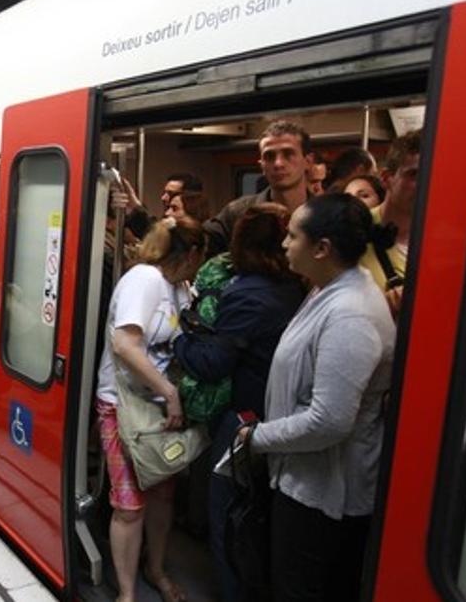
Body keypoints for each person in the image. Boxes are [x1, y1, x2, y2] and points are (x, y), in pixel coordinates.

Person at [238, 193, 395, 602]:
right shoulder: (328, 289)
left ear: (322, 248)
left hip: (324, 496)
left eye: (292, 236)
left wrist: (257, 438)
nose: (285, 244)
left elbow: (330, 420)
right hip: (303, 480)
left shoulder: (350, 314)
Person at [172, 203, 305, 602]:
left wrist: (181, 334)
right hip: (279, 412)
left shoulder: (247, 293)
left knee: (230, 519)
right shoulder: (295, 287)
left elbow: (212, 364)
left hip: (245, 422)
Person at [96, 216, 206, 602]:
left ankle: (155, 569)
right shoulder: (145, 280)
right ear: (191, 254)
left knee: (162, 496)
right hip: (123, 406)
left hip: (160, 410)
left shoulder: (180, 288)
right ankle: (127, 593)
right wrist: (170, 392)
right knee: (129, 506)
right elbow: (125, 345)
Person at [205, 120, 313, 256]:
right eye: (269, 156)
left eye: (288, 154)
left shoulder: (324, 214)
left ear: (308, 162)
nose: (278, 164)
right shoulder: (239, 213)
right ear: (262, 166)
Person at [359, 130, 421, 318]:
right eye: (414, 174)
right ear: (387, 178)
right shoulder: (352, 231)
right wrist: (384, 306)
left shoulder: (449, 242)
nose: (426, 182)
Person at [123, 172, 203, 239]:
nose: (163, 198)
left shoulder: (196, 234)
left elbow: (156, 235)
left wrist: (135, 205)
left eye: (171, 194)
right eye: (164, 193)